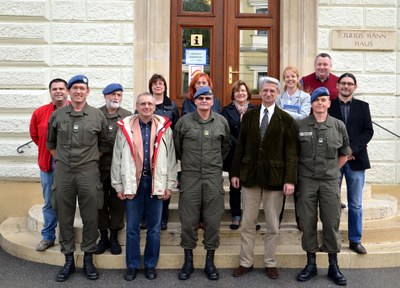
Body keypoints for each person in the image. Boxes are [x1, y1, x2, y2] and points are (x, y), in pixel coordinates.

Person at [231, 77, 297, 280]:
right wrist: (235, 173)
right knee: (247, 223)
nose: (268, 94)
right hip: (250, 177)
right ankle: (245, 262)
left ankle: (270, 262)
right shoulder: (249, 117)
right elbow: (240, 146)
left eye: (272, 91)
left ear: (277, 94)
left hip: (275, 179)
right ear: (260, 93)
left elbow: (291, 152)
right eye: (265, 91)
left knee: (272, 225)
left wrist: (289, 179)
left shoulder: (285, 119)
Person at [47, 75, 109, 282]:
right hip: (64, 173)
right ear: (68, 92)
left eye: (82, 88)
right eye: (74, 88)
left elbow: (104, 145)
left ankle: (89, 258)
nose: (78, 92)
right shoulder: (58, 115)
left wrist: (88, 160)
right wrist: (65, 161)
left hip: (88, 173)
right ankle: (68, 261)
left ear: (88, 92)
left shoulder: (97, 115)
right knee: (64, 216)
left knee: (90, 216)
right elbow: (50, 144)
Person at [111, 92, 177, 281]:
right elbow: (117, 158)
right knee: (132, 227)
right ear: (137, 106)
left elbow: (171, 158)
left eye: (149, 103)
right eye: (142, 104)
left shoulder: (165, 127)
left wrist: (169, 185)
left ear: (154, 106)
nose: (146, 107)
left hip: (156, 182)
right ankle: (132, 265)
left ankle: (150, 264)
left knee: (154, 228)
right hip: (134, 182)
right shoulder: (125, 127)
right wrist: (118, 185)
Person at [174, 86, 230, 281]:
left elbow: (225, 148)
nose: (205, 101)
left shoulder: (221, 122)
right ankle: (188, 261)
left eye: (208, 98)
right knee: (188, 221)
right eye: (201, 98)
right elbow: (178, 147)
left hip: (213, 177)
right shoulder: (184, 122)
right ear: (195, 101)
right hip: (190, 177)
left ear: (213, 101)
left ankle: (209, 261)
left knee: (213, 221)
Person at [296, 87, 350, 286]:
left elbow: (344, 153)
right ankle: (310, 263)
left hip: (329, 181)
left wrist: (332, 170)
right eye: (316, 100)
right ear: (311, 104)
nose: (320, 103)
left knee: (331, 221)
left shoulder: (338, 126)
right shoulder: (301, 125)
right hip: (307, 180)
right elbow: (294, 154)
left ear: (329, 103)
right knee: (308, 221)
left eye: (324, 100)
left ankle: (333, 265)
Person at [328, 73, 373, 255]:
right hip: (334, 161)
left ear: (355, 87)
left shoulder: (363, 107)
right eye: (343, 83)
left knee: (355, 204)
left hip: (356, 160)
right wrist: (341, 152)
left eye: (350, 84)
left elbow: (368, 131)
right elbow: (327, 131)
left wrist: (350, 151)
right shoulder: (329, 105)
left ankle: (355, 240)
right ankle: (333, 240)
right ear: (337, 85)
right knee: (332, 202)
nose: (346, 86)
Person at [29, 78, 68, 251]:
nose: (58, 91)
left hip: (71, 168)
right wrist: (49, 152)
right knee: (49, 203)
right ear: (50, 91)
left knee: (67, 203)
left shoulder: (75, 111)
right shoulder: (40, 112)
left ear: (67, 91)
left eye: (61, 88)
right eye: (55, 89)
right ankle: (48, 237)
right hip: (48, 167)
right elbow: (35, 136)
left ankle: (67, 238)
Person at [95, 83, 132, 255]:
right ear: (105, 96)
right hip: (98, 167)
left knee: (118, 203)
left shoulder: (127, 116)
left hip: (119, 168)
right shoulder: (95, 115)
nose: (116, 98)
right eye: (112, 95)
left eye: (119, 95)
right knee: (100, 203)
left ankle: (115, 236)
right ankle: (103, 237)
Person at [141, 74, 179, 231]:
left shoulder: (172, 106)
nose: (158, 86)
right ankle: (145, 218)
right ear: (150, 87)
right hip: (146, 150)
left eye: (161, 83)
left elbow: (176, 128)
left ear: (165, 86)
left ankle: (163, 218)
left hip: (165, 150)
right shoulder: (146, 103)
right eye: (154, 84)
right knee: (146, 185)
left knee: (164, 184)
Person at [276, 66, 311, 230]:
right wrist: (287, 113)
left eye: (293, 76)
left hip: (299, 142)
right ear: (284, 79)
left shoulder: (305, 97)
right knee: (280, 181)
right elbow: (275, 119)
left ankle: (300, 219)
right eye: (287, 77)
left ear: (298, 78)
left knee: (298, 181)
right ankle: (278, 217)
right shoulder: (279, 97)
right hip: (281, 142)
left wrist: (283, 112)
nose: (290, 79)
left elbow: (303, 117)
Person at [221, 80, 255, 230]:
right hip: (233, 154)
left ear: (248, 93)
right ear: (233, 95)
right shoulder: (226, 111)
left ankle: (250, 217)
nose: (240, 93)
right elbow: (226, 133)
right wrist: (238, 145)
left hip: (251, 155)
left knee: (250, 187)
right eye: (237, 91)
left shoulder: (256, 110)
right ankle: (236, 215)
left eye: (243, 90)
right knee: (235, 185)